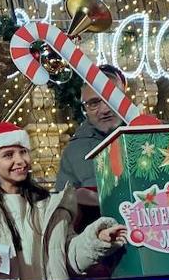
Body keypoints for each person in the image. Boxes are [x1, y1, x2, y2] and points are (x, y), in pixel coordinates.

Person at [0, 122, 128, 280]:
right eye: (8, 155)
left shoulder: (50, 205)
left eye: (23, 152)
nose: (20, 160)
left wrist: (96, 239)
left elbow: (69, 257)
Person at [54, 64, 128, 192]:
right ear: (84, 109)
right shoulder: (73, 153)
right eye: (94, 103)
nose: (105, 109)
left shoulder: (157, 134)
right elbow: (64, 206)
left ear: (124, 98)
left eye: (111, 99)